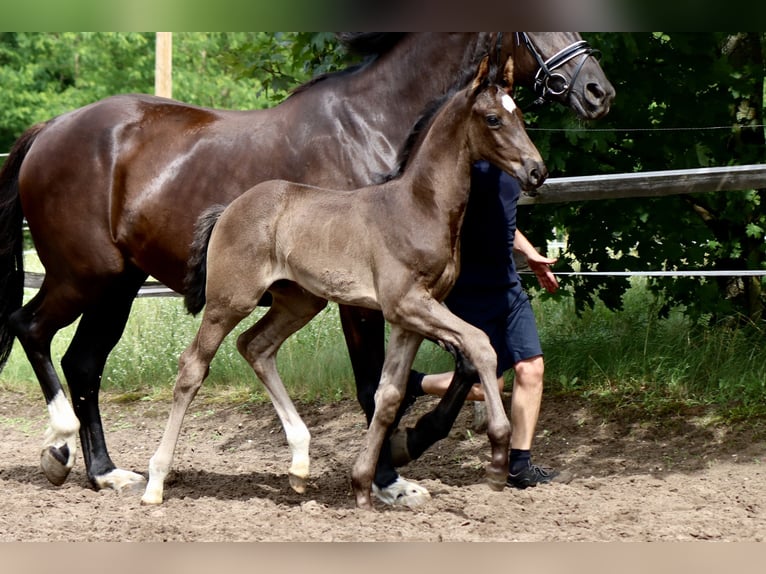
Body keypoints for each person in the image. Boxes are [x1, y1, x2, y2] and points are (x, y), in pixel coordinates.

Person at [412, 159, 560, 489]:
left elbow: (504, 219)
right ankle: (414, 384)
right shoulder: (458, 165)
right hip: (467, 290)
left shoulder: (510, 162)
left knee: (531, 369)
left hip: (507, 288)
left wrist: (530, 253)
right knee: (485, 387)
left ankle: (520, 465)